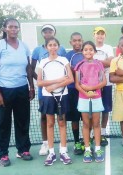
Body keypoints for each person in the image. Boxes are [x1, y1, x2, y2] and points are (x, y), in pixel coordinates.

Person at [0, 18, 35, 167]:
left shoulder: (24, 46)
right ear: (5, 29)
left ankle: (23, 150)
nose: (14, 29)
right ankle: (2, 154)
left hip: (22, 88)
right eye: (11, 27)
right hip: (4, 90)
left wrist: (31, 86)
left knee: (23, 121)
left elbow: (28, 69)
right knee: (3, 123)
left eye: (16, 27)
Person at [31, 24, 67, 156]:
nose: (48, 33)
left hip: (60, 90)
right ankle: (45, 143)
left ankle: (63, 148)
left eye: (50, 30)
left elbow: (65, 71)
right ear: (42, 34)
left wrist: (56, 84)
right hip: (44, 91)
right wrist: (42, 83)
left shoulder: (61, 50)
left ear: (54, 32)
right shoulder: (37, 50)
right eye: (45, 31)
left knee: (61, 118)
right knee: (44, 116)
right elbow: (32, 68)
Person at [37, 37, 74, 166]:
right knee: (50, 123)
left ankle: (63, 151)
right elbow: (40, 82)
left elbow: (70, 79)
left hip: (62, 95)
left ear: (58, 47)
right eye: (50, 45)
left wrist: (54, 86)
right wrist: (57, 81)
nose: (52, 47)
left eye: (55, 45)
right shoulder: (42, 62)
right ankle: (51, 153)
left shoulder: (64, 60)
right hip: (47, 97)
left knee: (62, 123)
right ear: (46, 47)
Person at [75, 41, 107, 163]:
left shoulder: (99, 64)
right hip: (83, 98)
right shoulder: (79, 65)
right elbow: (77, 84)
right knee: (86, 124)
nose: (88, 51)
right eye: (86, 49)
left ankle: (98, 148)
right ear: (82, 51)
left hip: (96, 97)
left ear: (94, 51)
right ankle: (88, 149)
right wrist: (86, 92)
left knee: (96, 124)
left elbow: (103, 82)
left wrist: (91, 89)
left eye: (90, 49)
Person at [93, 27, 114, 146]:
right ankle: (92, 133)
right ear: (94, 35)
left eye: (102, 34)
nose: (100, 36)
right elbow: (87, 62)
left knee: (105, 109)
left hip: (106, 83)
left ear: (104, 36)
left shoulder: (108, 48)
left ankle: (103, 132)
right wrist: (102, 62)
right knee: (93, 109)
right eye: (97, 34)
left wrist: (94, 63)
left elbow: (110, 62)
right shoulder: (90, 46)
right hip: (92, 84)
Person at [65, 32, 84, 155]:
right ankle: (77, 142)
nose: (77, 43)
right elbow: (67, 73)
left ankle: (87, 141)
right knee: (75, 118)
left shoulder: (87, 53)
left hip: (86, 89)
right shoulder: (67, 56)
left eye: (79, 40)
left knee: (88, 117)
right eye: (75, 40)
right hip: (72, 90)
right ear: (70, 42)